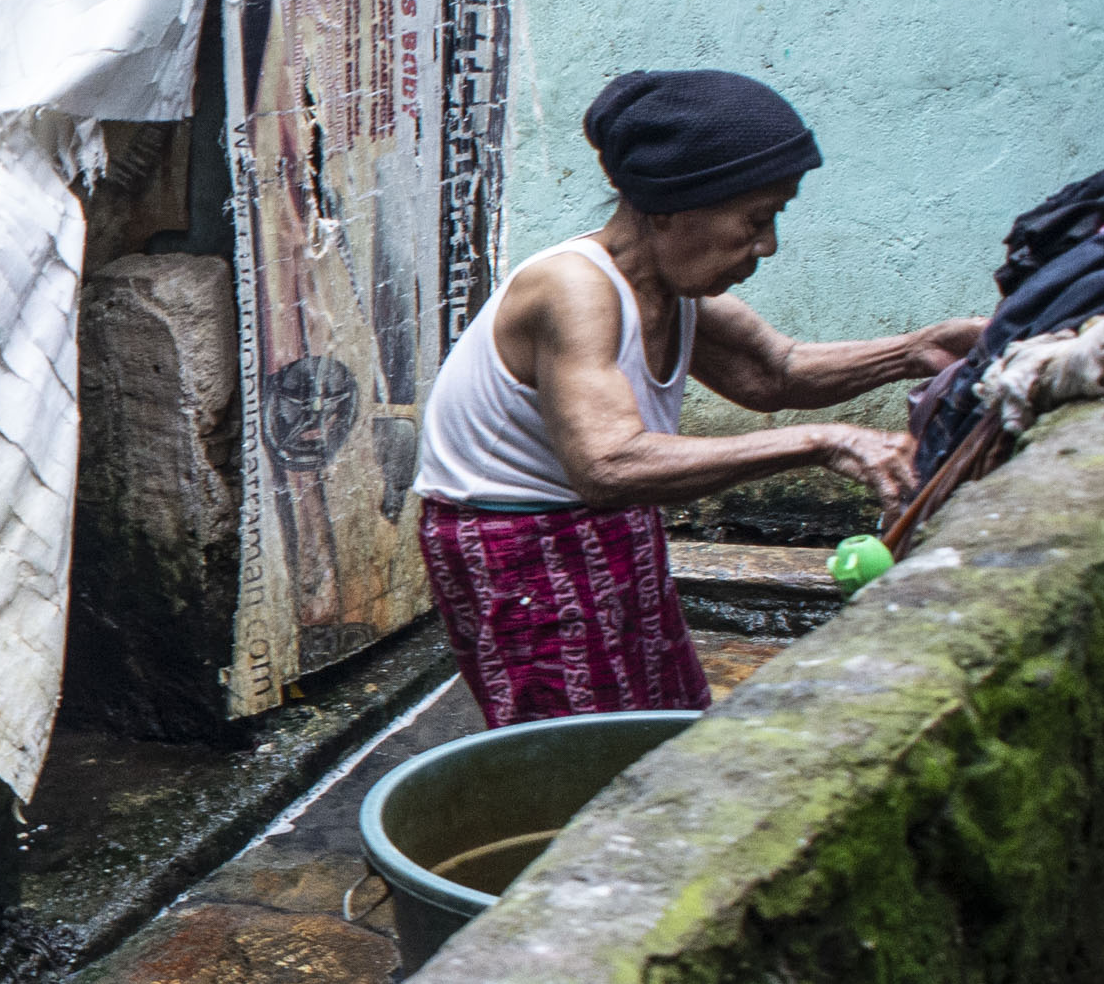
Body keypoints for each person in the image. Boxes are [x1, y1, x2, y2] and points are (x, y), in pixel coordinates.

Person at [412, 69, 983, 725]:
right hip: (518, 547)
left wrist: (917, 350)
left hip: (615, 524)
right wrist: (824, 441)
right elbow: (606, 464)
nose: (768, 245)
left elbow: (775, 372)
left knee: (662, 724)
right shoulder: (572, 288)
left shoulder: (669, 288)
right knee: (577, 751)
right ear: (669, 207)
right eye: (756, 220)